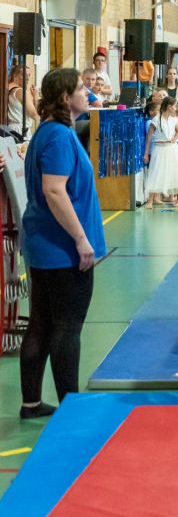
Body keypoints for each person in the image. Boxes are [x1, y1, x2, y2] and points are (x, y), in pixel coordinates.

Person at [19, 69, 106, 418]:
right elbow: (54, 191)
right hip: (60, 249)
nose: (87, 93)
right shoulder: (57, 136)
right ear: (65, 98)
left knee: (41, 323)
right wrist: (82, 240)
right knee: (67, 326)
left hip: (46, 244)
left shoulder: (50, 132)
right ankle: (71, 406)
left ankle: (31, 402)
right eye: (82, 88)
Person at [143, 98, 178, 208]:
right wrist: (146, 152)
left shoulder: (173, 119)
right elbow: (149, 136)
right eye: (175, 106)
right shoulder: (156, 120)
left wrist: (174, 138)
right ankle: (150, 201)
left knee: (174, 172)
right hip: (159, 148)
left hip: (171, 148)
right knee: (155, 172)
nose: (176, 109)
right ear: (169, 107)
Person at [7, 62, 39, 140]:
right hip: (21, 131)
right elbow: (34, 115)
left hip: (10, 129)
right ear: (15, 76)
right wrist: (35, 97)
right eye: (24, 75)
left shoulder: (8, 89)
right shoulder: (22, 92)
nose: (27, 78)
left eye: (29, 75)